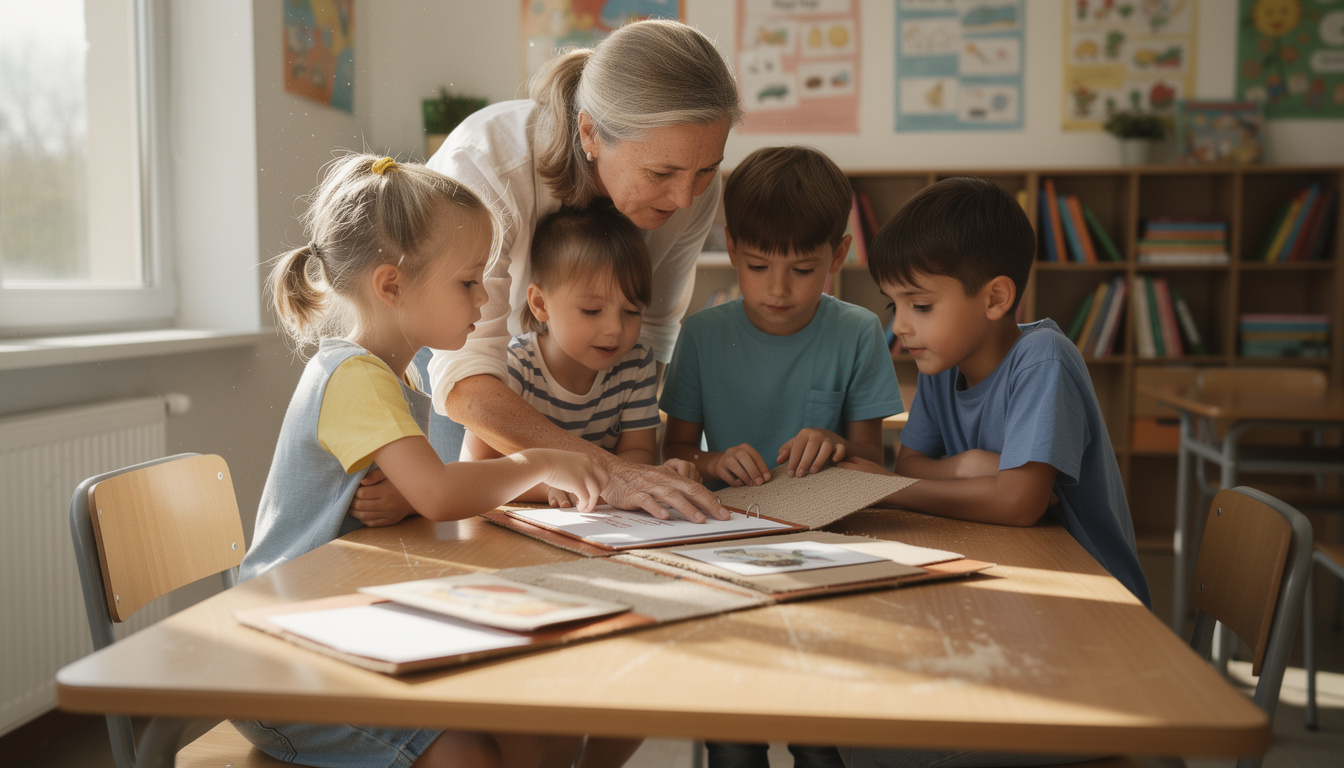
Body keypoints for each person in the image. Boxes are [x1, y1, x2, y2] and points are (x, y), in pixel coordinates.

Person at [235, 152, 620, 768]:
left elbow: (434, 489)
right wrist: (543, 462)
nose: (487, 295)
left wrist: (430, 495)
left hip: (342, 628)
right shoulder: (354, 377)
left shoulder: (396, 376)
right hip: (285, 664)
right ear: (392, 285)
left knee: (527, 711)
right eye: (469, 281)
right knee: (471, 749)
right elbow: (439, 493)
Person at [836, 177, 1151, 768]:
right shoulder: (939, 365)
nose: (900, 327)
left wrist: (889, 489)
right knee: (856, 710)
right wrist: (963, 468)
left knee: (872, 744)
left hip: (1095, 631)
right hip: (1018, 606)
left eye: (920, 305)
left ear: (996, 298)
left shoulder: (1044, 361)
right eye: (894, 305)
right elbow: (913, 461)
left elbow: (1018, 502)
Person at [422, 19, 741, 523]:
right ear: (591, 132)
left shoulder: (695, 190)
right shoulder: (486, 166)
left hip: (586, 389)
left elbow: (653, 330)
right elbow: (464, 377)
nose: (685, 198)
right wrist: (606, 470)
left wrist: (625, 450)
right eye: (661, 173)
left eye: (705, 170)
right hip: (476, 381)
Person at [661, 146, 903, 492]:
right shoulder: (701, 335)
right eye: (758, 266)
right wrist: (717, 461)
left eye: (802, 270)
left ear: (837, 256)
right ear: (732, 249)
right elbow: (673, 449)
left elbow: (871, 458)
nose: (778, 290)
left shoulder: (859, 332)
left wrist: (834, 444)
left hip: (821, 513)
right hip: (726, 515)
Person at [462, 204, 698, 505]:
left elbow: (638, 453)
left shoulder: (635, 364)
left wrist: (659, 474)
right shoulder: (515, 367)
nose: (615, 329)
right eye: (591, 310)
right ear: (540, 303)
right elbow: (478, 471)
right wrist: (548, 488)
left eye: (631, 311)